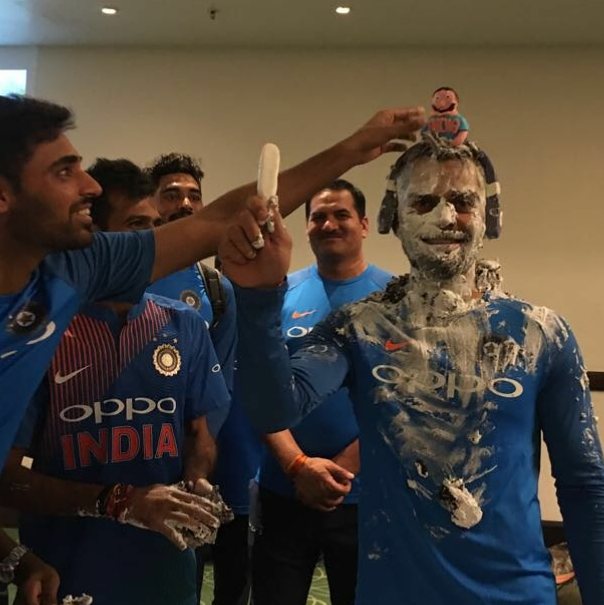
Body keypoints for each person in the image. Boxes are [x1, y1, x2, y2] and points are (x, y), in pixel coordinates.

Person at [0, 92, 424, 600]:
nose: (88, 186)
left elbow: (216, 220)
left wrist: (353, 149)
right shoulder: (70, 292)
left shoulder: (75, 268)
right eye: (63, 172)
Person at [221, 135, 604, 605]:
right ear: (394, 219)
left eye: (462, 201)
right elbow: (275, 408)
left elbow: (585, 485)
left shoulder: (539, 335)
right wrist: (260, 298)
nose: (445, 218)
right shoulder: (360, 327)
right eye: (423, 202)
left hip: (513, 594)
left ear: (488, 216)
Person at [0, 159, 231, 605]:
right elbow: (8, 480)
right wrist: (118, 501)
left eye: (156, 227)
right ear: (96, 238)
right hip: (66, 575)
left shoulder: (183, 324)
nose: (154, 242)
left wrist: (196, 480)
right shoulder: (41, 333)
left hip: (166, 575)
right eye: (137, 227)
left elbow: (199, 435)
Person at [253, 180, 392, 605]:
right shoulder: (280, 293)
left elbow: (406, 403)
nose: (329, 224)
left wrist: (342, 471)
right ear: (307, 227)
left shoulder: (396, 299)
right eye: (319, 217)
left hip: (366, 497)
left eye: (341, 215)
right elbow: (258, 388)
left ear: (364, 224)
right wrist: (298, 466)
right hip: (285, 488)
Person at [146, 153, 262, 605]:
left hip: (203, 455)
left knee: (210, 569)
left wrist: (198, 454)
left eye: (194, 195)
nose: (185, 204)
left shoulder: (217, 287)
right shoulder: (128, 274)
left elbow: (222, 384)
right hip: (137, 454)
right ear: (151, 203)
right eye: (171, 194)